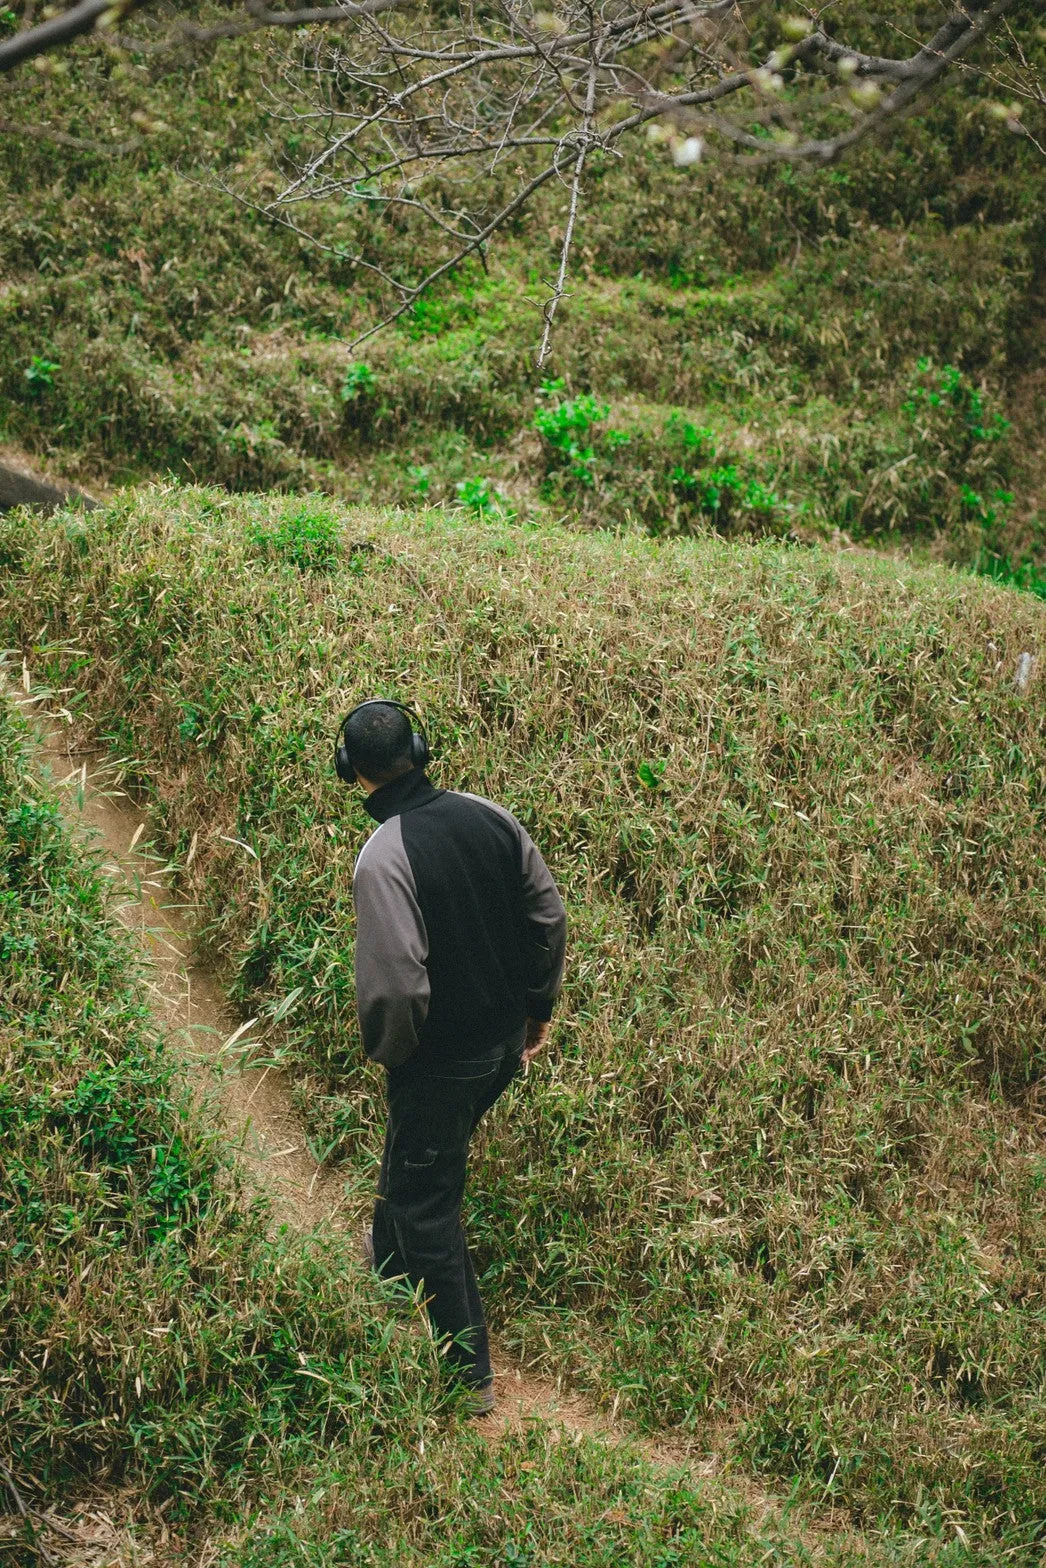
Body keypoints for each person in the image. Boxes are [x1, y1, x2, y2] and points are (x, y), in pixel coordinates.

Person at [335, 698, 567, 1415]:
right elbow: (549, 916)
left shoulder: (383, 856)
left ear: (352, 772)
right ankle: (389, 1264)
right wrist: (537, 1012)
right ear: (423, 750)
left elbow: (398, 984)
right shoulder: (489, 815)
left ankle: (468, 1378)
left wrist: (398, 1057)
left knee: (426, 1201)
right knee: (422, 1152)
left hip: (443, 1058)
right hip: (501, 1045)